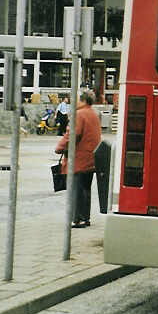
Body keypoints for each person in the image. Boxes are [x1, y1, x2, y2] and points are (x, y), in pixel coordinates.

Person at [54, 90, 102, 228]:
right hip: (91, 158)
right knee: (85, 189)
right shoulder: (94, 113)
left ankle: (78, 219)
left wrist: (59, 147)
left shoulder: (79, 114)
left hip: (78, 158)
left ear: (83, 100)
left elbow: (72, 135)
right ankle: (85, 218)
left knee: (76, 190)